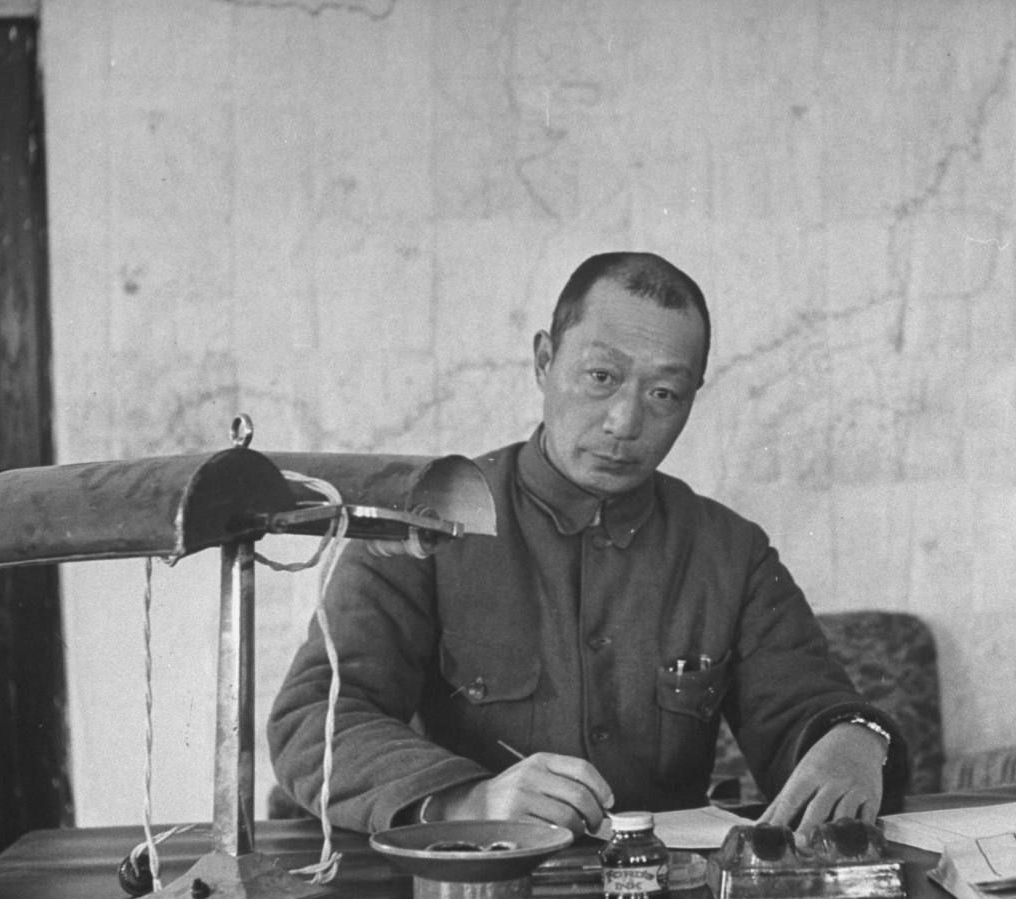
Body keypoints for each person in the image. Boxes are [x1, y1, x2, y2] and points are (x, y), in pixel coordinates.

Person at [268, 251, 906, 837]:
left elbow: (808, 708)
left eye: (663, 394)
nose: (625, 422)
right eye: (601, 376)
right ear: (544, 361)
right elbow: (313, 721)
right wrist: (466, 801)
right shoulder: (425, 522)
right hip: (470, 892)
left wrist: (856, 737)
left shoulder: (730, 553)